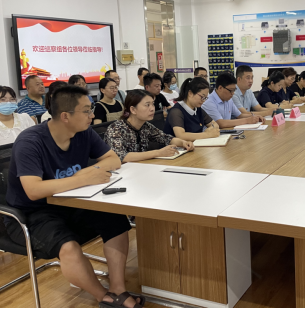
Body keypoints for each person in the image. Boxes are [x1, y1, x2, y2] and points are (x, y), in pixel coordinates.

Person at [5, 85, 140, 308]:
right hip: (31, 214)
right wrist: (81, 179)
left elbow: (113, 160)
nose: (92, 115)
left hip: (71, 202)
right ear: (65, 116)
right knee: (68, 246)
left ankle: (118, 288)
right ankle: (104, 298)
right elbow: (34, 190)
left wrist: (89, 173)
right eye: (86, 111)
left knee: (115, 221)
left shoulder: (83, 132)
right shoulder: (30, 141)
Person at [104, 90, 194, 163]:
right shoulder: (116, 129)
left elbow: (166, 138)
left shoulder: (146, 126)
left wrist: (183, 143)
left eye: (152, 104)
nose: (152, 108)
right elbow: (122, 156)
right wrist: (158, 153)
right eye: (147, 105)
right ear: (133, 109)